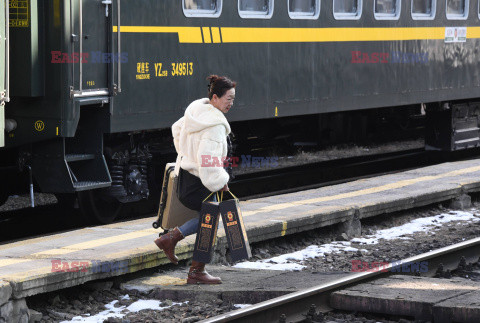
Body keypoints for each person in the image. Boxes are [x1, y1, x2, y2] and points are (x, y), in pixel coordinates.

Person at [154, 75, 236, 284]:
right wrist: (220, 181)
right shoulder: (215, 126)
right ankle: (176, 246)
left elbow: (177, 129)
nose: (231, 103)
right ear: (215, 97)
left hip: (185, 179)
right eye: (228, 99)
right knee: (210, 218)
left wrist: (186, 156)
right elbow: (209, 163)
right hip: (201, 181)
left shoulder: (197, 113)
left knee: (209, 217)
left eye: (233, 99)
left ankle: (189, 262)